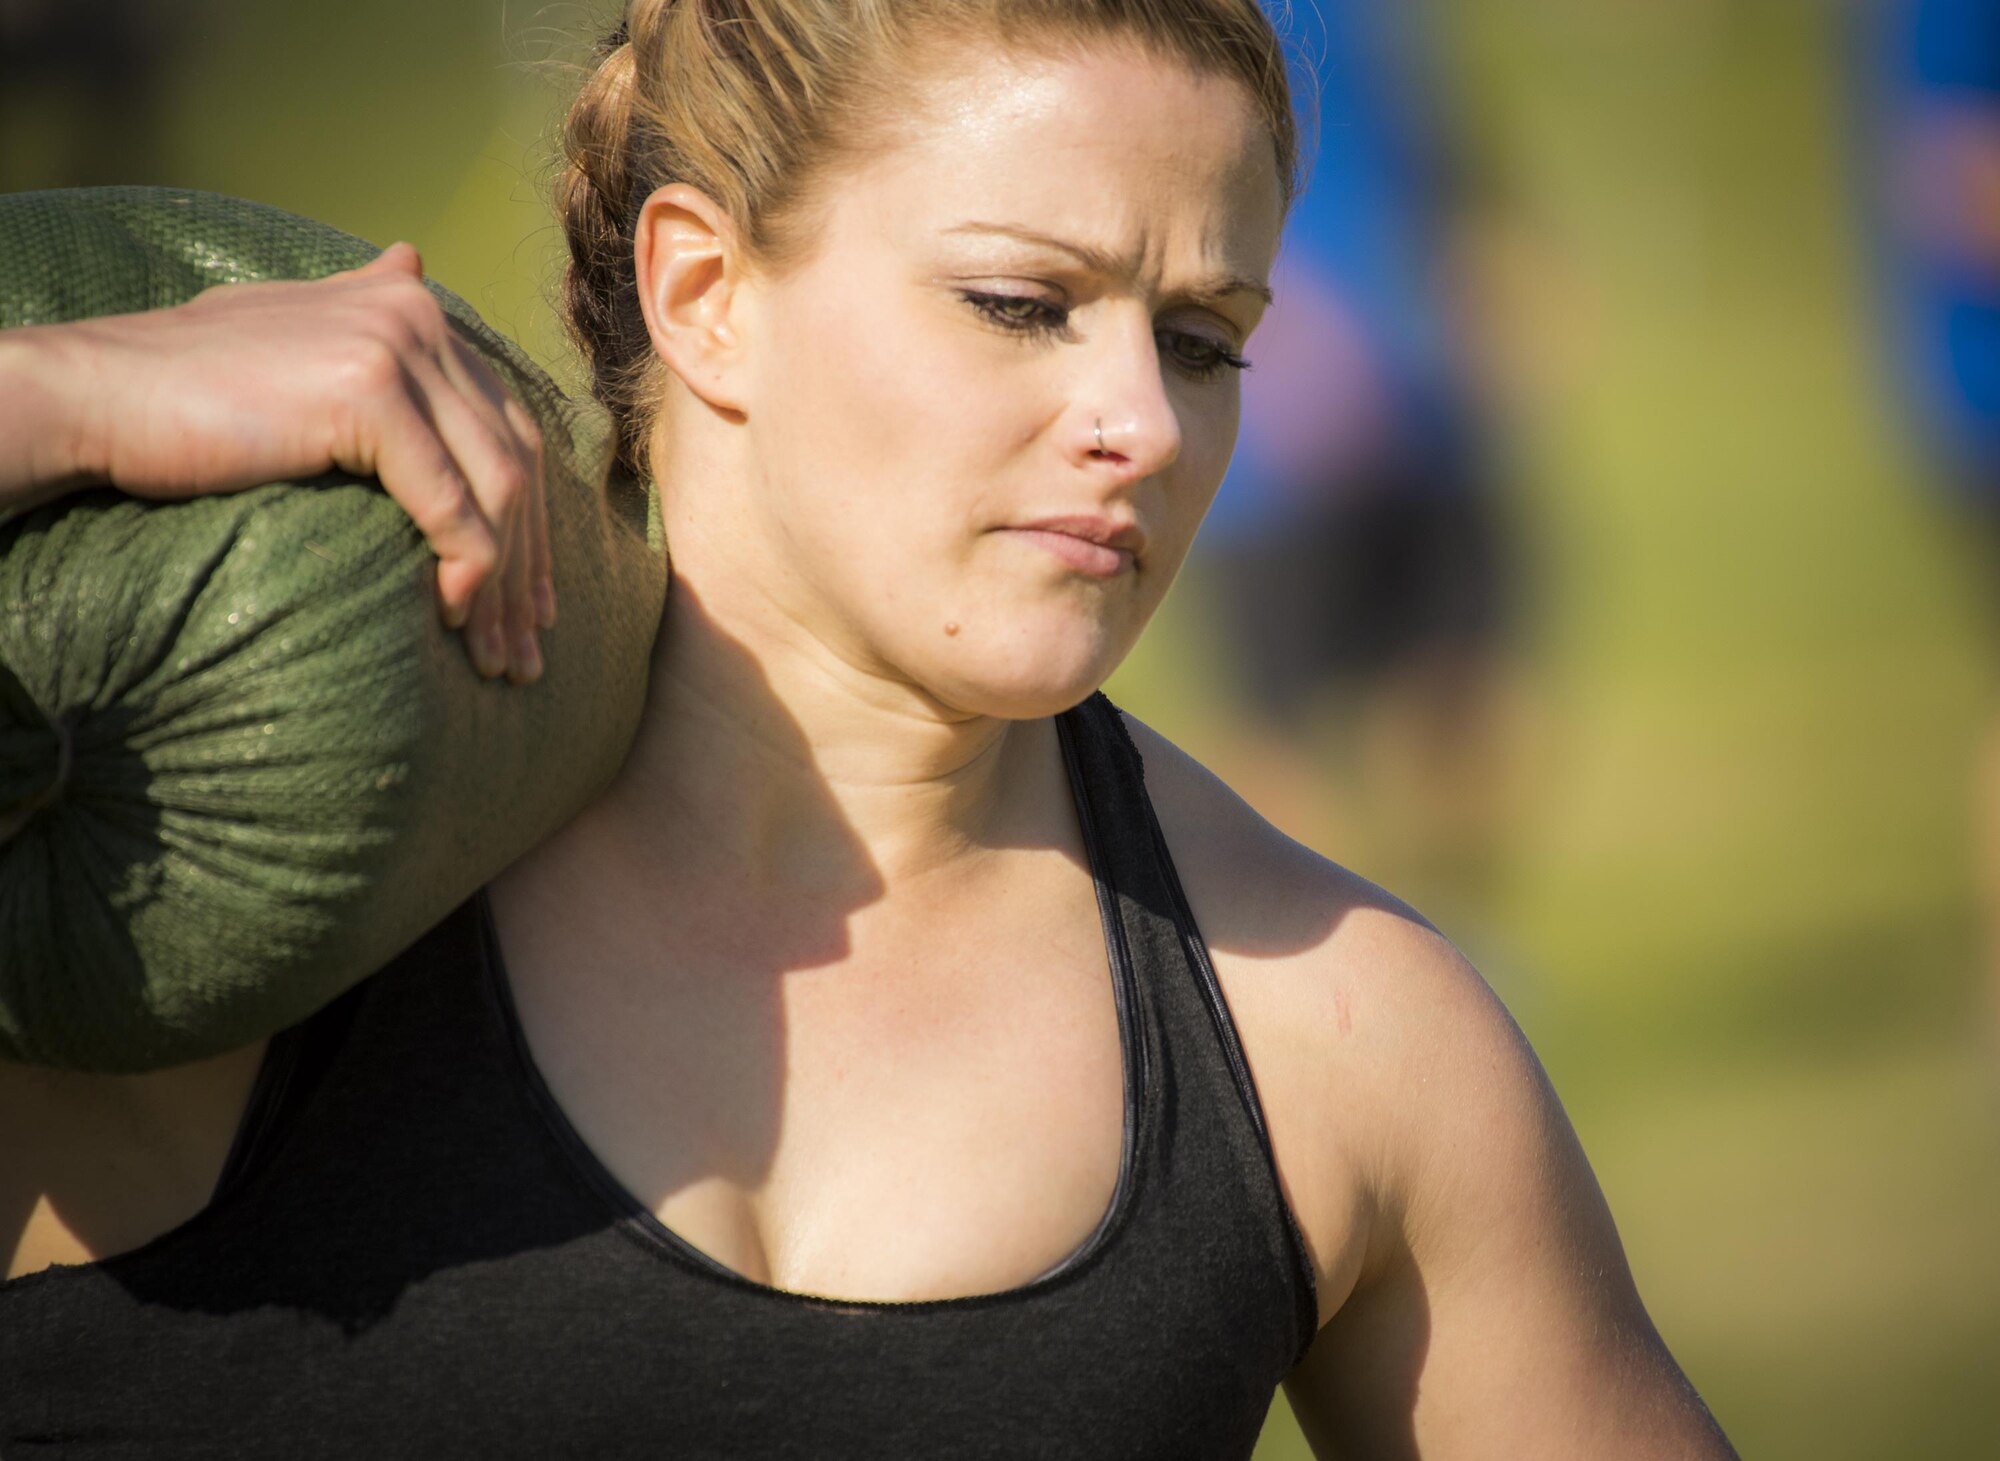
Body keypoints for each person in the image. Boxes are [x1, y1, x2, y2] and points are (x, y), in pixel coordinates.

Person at [0, 2, 1739, 1455]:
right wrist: (53, 395)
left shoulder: (1339, 1032)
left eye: (1205, 341)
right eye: (1022, 304)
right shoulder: (181, 836)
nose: (1140, 417)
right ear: (703, 293)